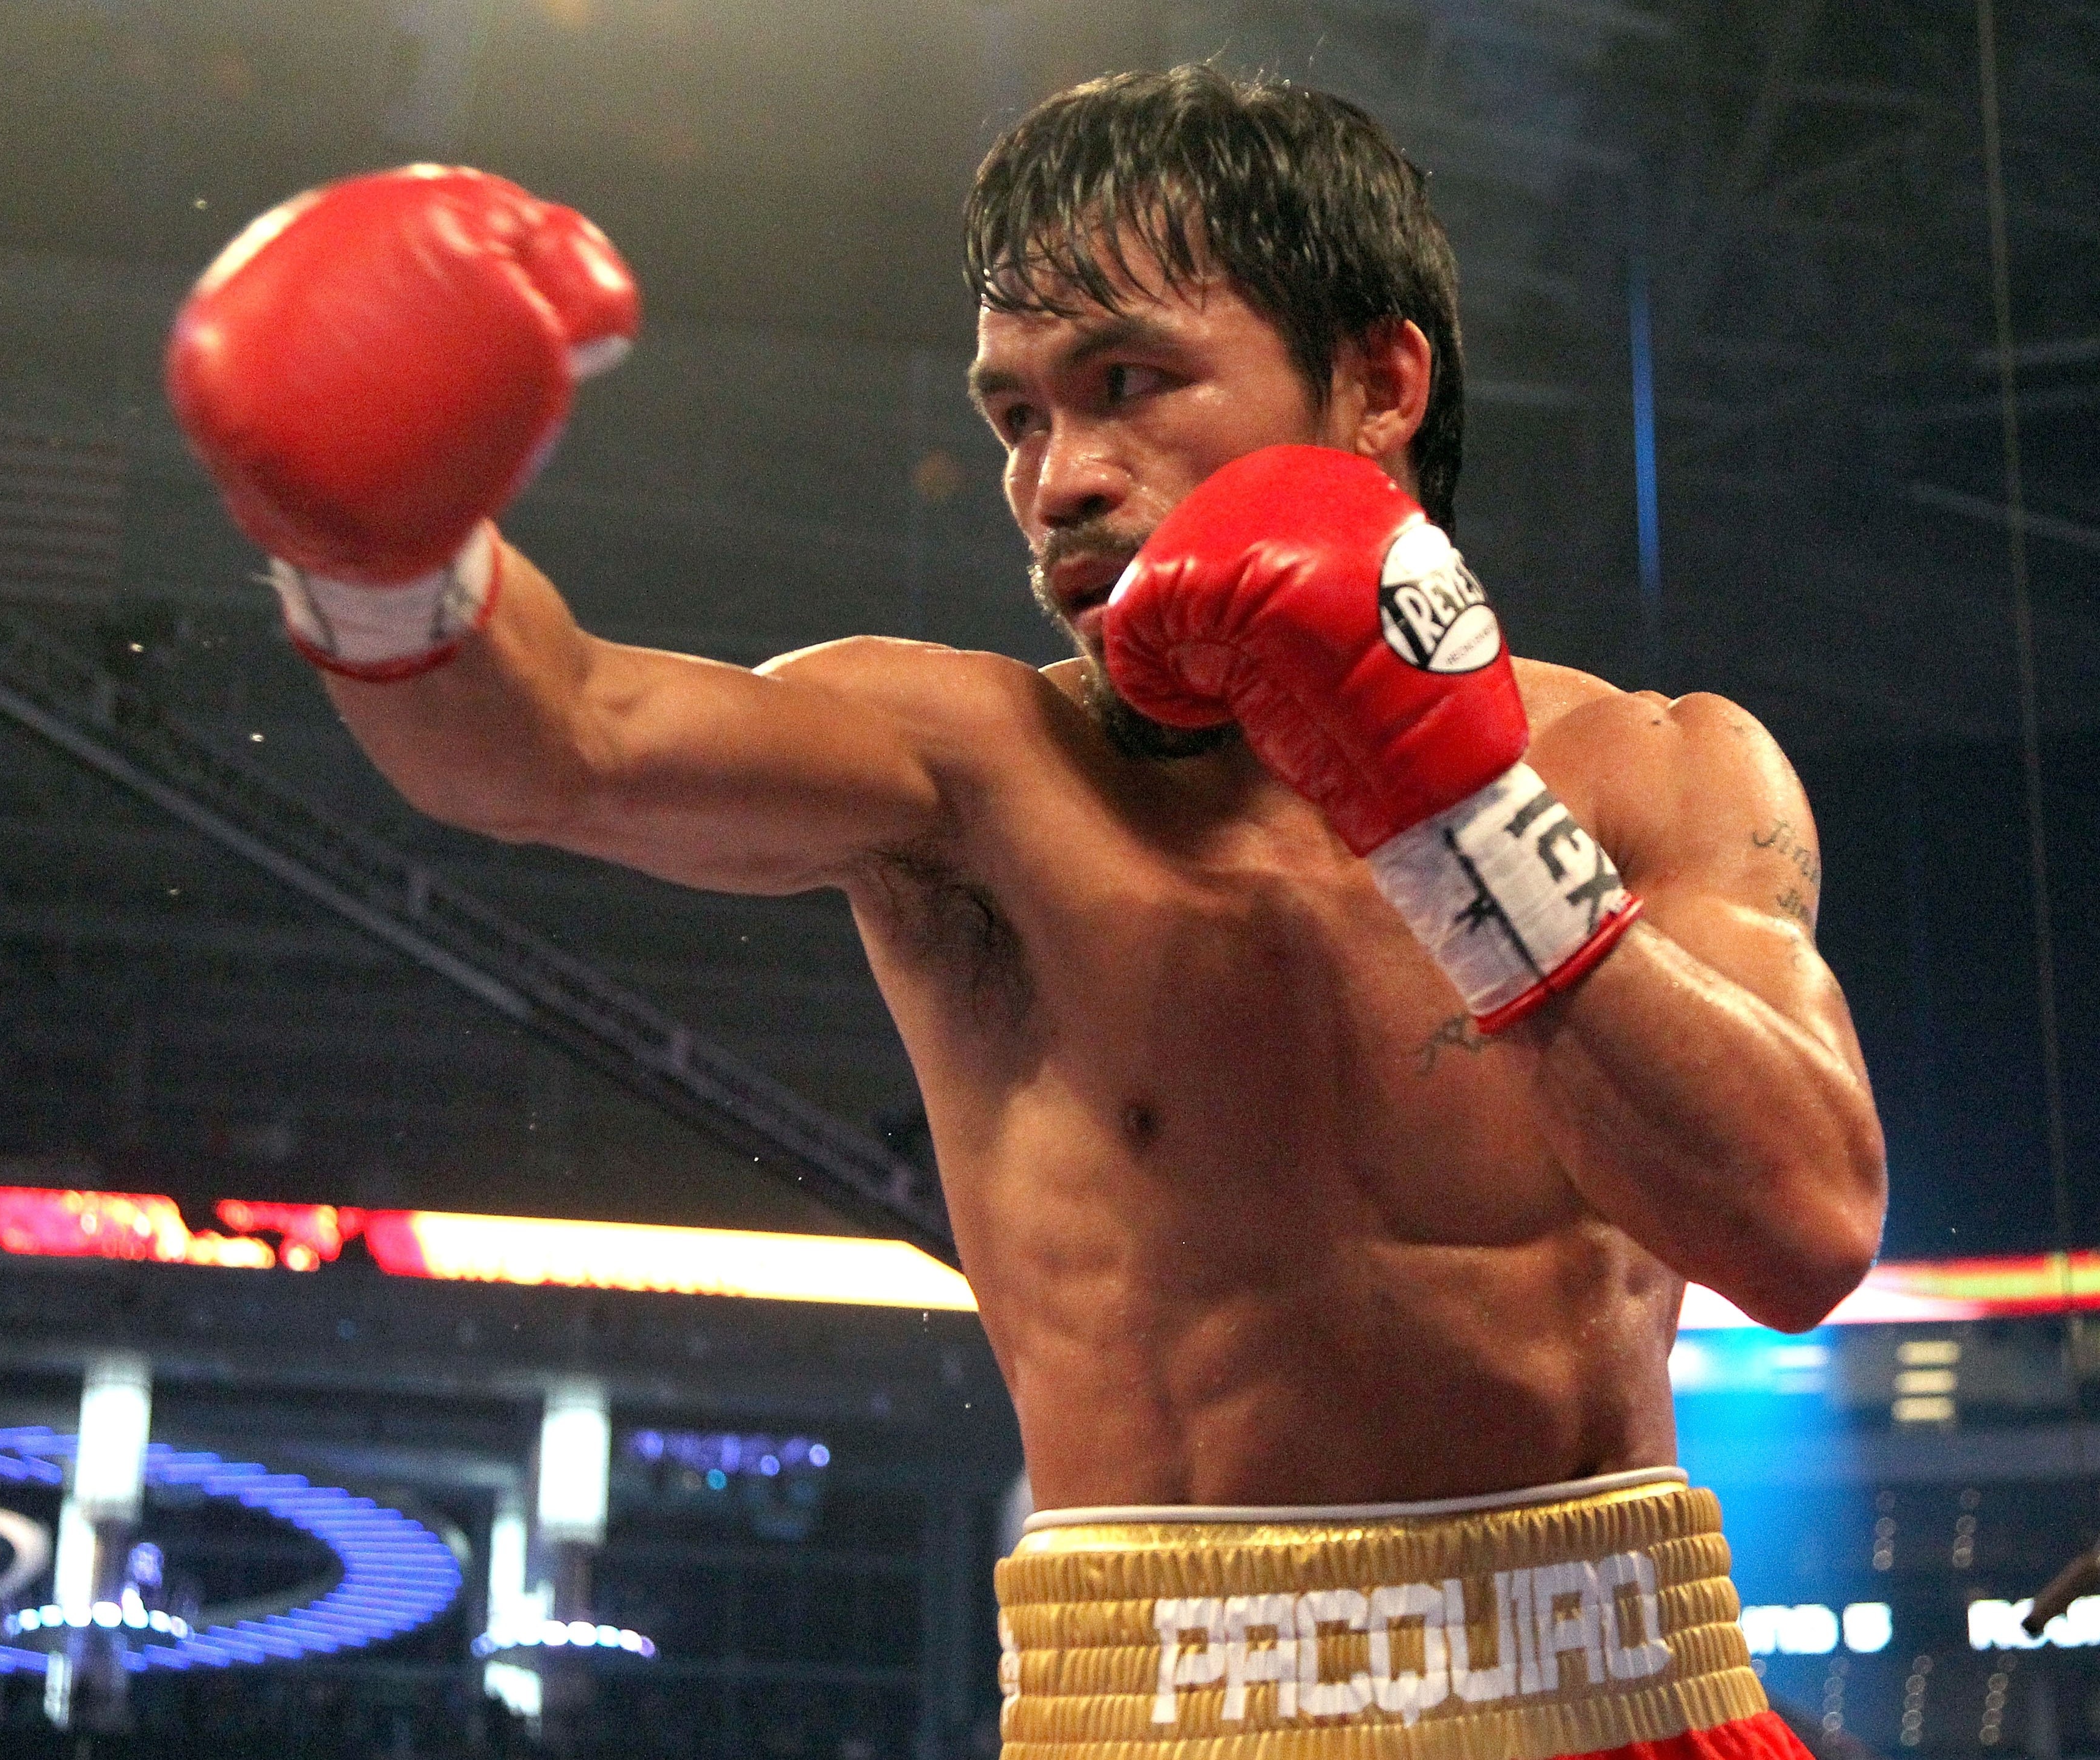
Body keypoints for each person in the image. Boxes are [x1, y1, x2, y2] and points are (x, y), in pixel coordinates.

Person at [167, 67, 1884, 1760]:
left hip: (1622, 1700)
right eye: (1017, 417)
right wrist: (370, 550)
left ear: (1375, 382)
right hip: (1149, 1708)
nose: (1057, 478)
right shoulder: (974, 778)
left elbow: (1801, 1220)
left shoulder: (1659, 769)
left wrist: (1446, 810)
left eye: (1128, 382)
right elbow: (557, 739)